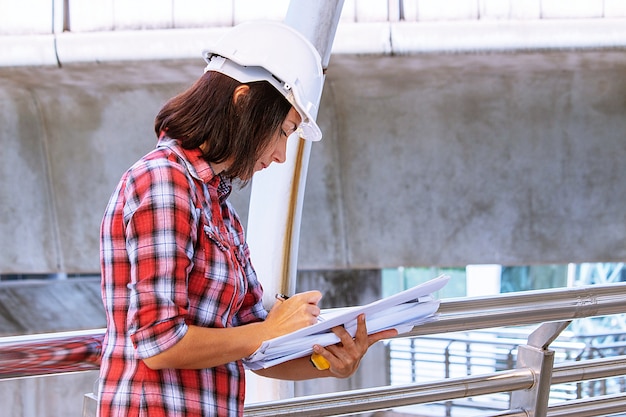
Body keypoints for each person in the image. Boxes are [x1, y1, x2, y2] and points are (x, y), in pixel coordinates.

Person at [97, 21, 397, 417]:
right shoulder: (163, 182)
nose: (280, 156)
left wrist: (328, 360)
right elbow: (159, 342)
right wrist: (268, 330)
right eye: (285, 131)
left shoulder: (218, 208)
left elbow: (258, 345)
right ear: (243, 101)